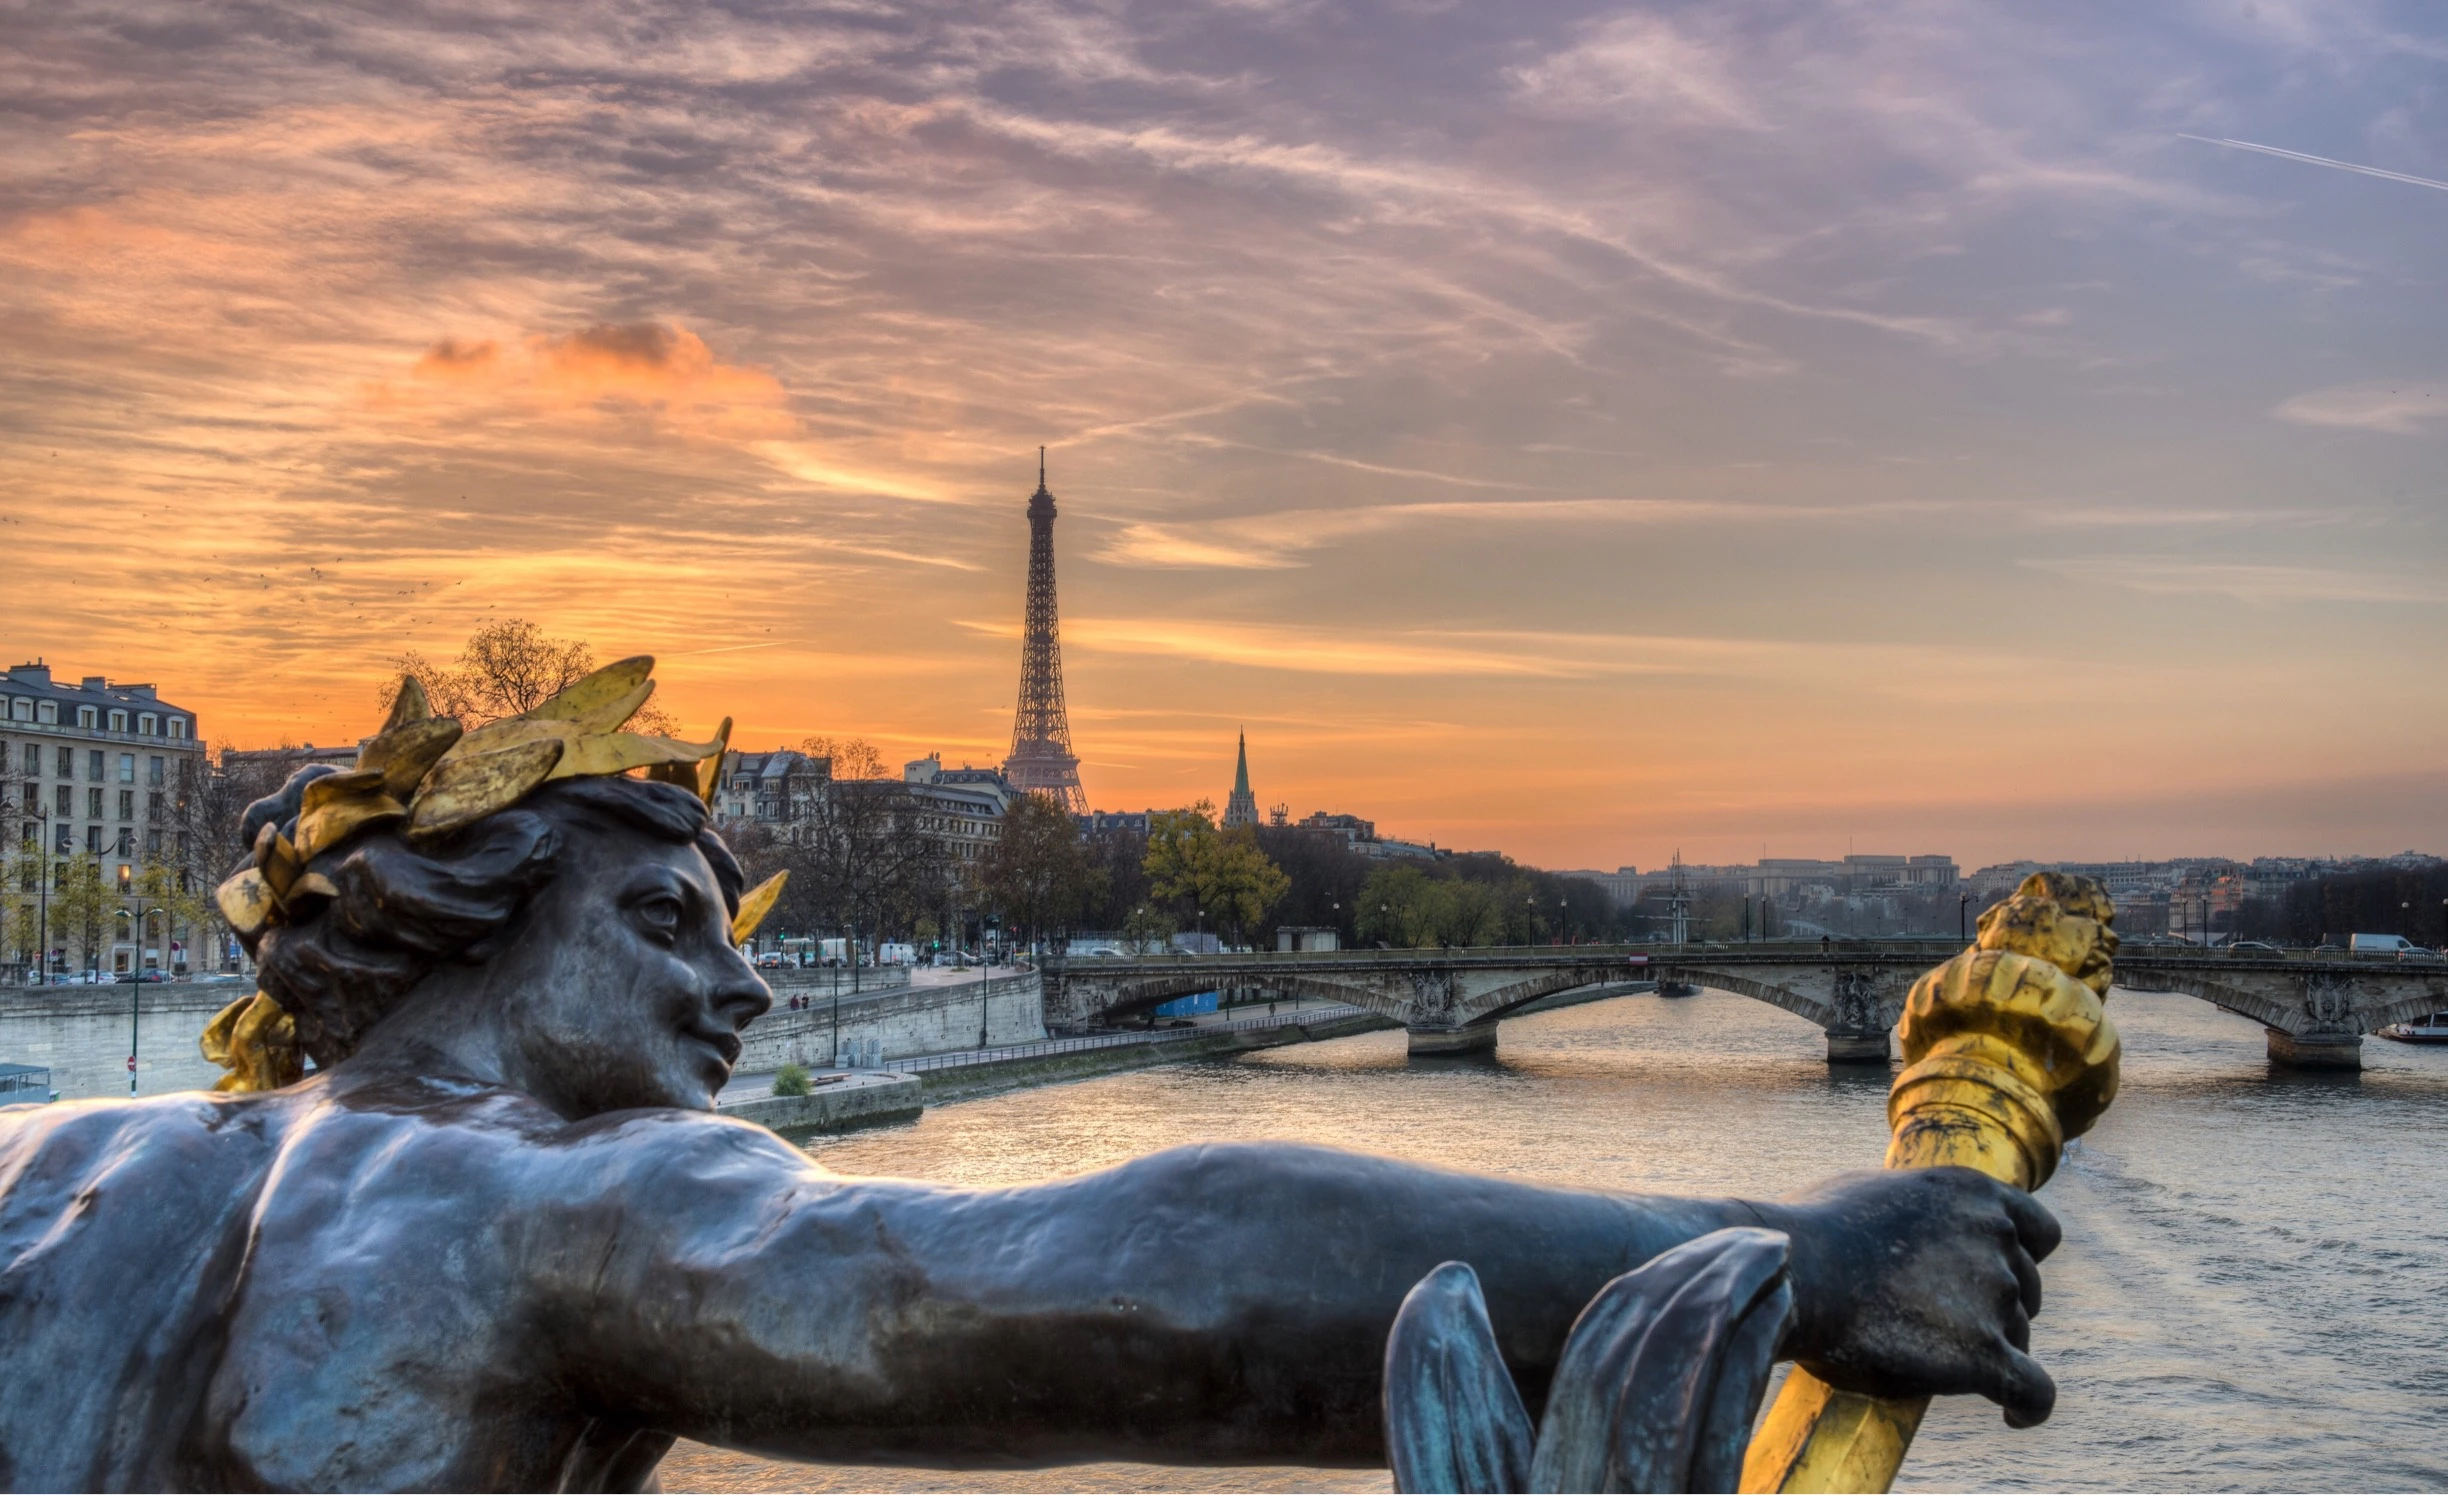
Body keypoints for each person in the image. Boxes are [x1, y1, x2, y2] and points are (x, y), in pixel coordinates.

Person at [0, 664, 2060, 1492]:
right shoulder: (517, 1195)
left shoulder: (56, 1164)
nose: (745, 994)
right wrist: (1785, 1253)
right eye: (669, 922)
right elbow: (1127, 1267)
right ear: (468, 911)